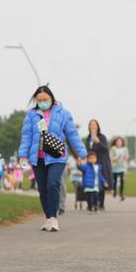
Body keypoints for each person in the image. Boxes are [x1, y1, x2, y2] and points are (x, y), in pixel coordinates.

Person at [18, 85, 87, 232]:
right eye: (39, 100)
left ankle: (54, 218)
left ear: (51, 98)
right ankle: (48, 217)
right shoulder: (31, 115)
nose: (43, 102)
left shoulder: (63, 114)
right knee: (42, 189)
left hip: (57, 156)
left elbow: (72, 135)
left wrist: (82, 153)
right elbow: (27, 136)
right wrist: (23, 155)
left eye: (45, 99)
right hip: (38, 157)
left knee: (53, 184)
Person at [86, 119, 113, 210]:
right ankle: (92, 203)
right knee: (91, 183)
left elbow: (106, 149)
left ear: (97, 127)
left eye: (94, 125)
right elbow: (87, 151)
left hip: (101, 162)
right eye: (91, 125)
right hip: (90, 163)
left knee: (100, 184)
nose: (93, 126)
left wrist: (98, 142)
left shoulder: (102, 137)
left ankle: (101, 203)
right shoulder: (88, 138)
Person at [110, 137, 129, 201]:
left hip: (122, 167)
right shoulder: (113, 149)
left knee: (122, 180)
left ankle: (121, 194)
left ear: (122, 142)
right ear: (115, 142)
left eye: (120, 141)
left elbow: (127, 156)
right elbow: (111, 158)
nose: (119, 143)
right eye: (117, 141)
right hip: (114, 167)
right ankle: (114, 191)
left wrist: (124, 157)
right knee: (114, 181)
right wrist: (117, 157)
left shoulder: (125, 149)